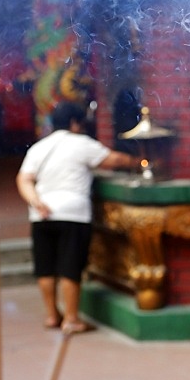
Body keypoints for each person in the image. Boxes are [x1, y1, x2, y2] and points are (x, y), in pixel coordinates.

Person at [16, 101, 138, 333]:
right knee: (70, 266)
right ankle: (71, 319)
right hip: (72, 213)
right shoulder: (81, 143)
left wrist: (36, 201)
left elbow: (23, 179)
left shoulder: (39, 148)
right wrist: (138, 161)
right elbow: (113, 161)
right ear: (74, 123)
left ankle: (52, 316)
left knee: (45, 266)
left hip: (41, 214)